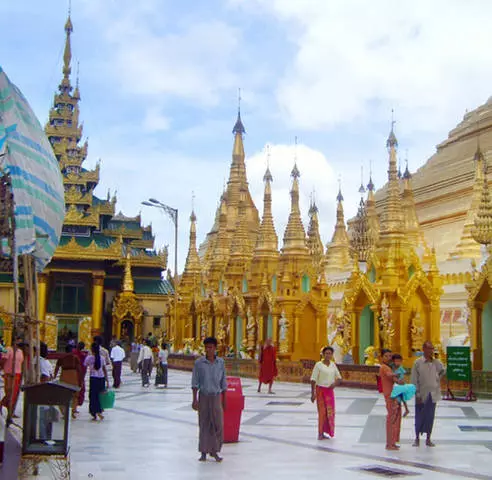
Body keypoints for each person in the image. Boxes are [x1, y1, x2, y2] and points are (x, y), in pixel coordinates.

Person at [191, 337, 227, 463]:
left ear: (215, 348)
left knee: (218, 424)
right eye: (206, 347)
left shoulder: (220, 363)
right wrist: (194, 399)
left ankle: (215, 450)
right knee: (204, 424)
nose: (208, 350)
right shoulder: (199, 363)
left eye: (211, 347)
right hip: (204, 396)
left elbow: (223, 381)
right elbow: (195, 382)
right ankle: (204, 451)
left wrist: (224, 399)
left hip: (216, 396)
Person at [411, 340, 445, 447]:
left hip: (433, 393)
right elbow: (414, 379)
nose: (431, 351)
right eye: (429, 348)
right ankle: (417, 438)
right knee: (419, 415)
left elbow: (443, 371)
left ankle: (428, 438)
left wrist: (437, 379)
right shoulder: (418, 363)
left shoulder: (436, 362)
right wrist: (417, 393)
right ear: (424, 349)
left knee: (430, 416)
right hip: (421, 393)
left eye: (432, 348)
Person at [310, 346, 342, 440]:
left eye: (330, 353)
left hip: (330, 391)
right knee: (322, 413)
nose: (328, 355)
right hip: (320, 390)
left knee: (330, 412)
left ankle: (327, 431)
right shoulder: (318, 365)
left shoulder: (333, 365)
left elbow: (339, 378)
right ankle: (320, 433)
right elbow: (313, 379)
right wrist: (313, 393)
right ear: (323, 355)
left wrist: (335, 384)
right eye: (326, 353)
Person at [379, 348, 401, 451]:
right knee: (391, 417)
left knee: (393, 417)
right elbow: (389, 375)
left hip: (393, 393)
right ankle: (389, 443)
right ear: (382, 357)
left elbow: (393, 379)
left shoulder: (389, 367)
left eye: (389, 356)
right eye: (386, 356)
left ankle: (392, 441)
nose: (388, 358)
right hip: (389, 395)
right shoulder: (384, 367)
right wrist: (395, 374)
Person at [54, 344, 82, 419]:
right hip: (73, 375)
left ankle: (64, 412)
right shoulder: (75, 357)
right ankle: (73, 410)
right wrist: (80, 380)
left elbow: (57, 368)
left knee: (62, 394)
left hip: (64, 376)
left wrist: (54, 377)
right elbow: (79, 369)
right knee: (75, 394)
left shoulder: (61, 358)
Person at [84, 342, 109, 421]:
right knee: (100, 395)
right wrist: (107, 379)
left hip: (93, 378)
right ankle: (100, 410)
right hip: (101, 378)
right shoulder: (102, 358)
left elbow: (84, 365)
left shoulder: (89, 358)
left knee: (93, 396)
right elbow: (104, 369)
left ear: (92, 349)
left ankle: (94, 412)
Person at [0, 339, 24, 418]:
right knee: (9, 393)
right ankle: (2, 405)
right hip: (9, 374)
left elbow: (22, 363)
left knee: (14, 394)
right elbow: (3, 360)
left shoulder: (20, 352)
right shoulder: (8, 350)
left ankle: (11, 412)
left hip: (18, 374)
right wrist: (3, 370)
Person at [390, 354, 416, 418]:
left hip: (400, 384)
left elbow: (402, 376)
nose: (398, 363)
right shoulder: (391, 368)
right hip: (396, 384)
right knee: (399, 397)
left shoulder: (401, 368)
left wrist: (400, 381)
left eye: (399, 361)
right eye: (396, 361)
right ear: (393, 361)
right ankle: (405, 409)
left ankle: (404, 409)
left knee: (401, 397)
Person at [73, 342, 88, 407]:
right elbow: (85, 366)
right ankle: (78, 403)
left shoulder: (73, 352)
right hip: (80, 373)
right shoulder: (83, 355)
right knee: (81, 389)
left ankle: (74, 405)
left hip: (73, 372)